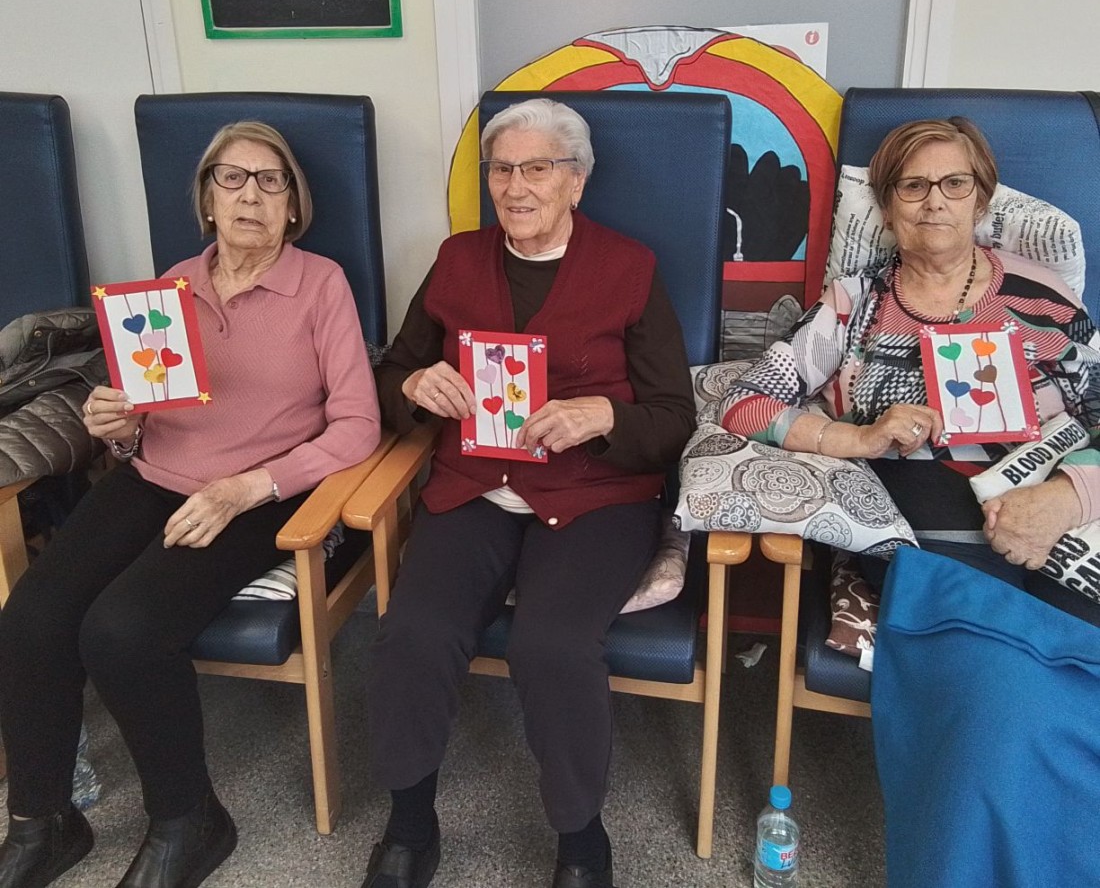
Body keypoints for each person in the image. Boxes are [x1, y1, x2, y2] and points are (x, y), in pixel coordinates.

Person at [0, 121, 381, 888]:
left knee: (122, 631)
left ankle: (189, 819)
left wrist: (248, 487)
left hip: (259, 494)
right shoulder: (171, 285)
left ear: (293, 205)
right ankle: (43, 821)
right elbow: (142, 415)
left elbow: (358, 426)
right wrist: (117, 426)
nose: (250, 195)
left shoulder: (320, 285)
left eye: (270, 180)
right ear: (207, 199)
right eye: (231, 178)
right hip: (152, 477)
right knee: (31, 617)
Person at [364, 98, 695, 888]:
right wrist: (414, 384)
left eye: (537, 168)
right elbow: (390, 371)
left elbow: (673, 417)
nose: (516, 187)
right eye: (502, 170)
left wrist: (604, 416)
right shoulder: (456, 260)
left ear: (576, 181)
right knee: (413, 631)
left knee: (553, 645)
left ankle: (581, 841)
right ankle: (410, 824)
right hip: (474, 488)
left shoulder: (630, 268)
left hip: (595, 495)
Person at [718, 116, 1100, 624]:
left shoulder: (1045, 296)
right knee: (986, 647)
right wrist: (857, 439)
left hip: (1063, 527)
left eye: (955, 183)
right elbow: (744, 403)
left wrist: (1066, 499)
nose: (934, 201)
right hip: (928, 539)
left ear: (980, 201)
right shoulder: (854, 304)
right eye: (913, 186)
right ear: (888, 207)